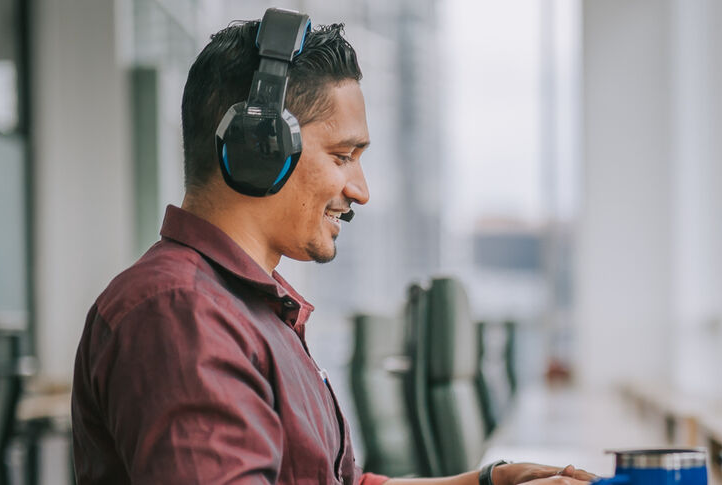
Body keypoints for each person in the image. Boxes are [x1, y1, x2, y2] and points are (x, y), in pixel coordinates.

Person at [70, 15, 595, 485]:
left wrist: (487, 484)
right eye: (343, 156)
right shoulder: (180, 313)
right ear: (260, 147)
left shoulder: (250, 308)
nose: (361, 190)